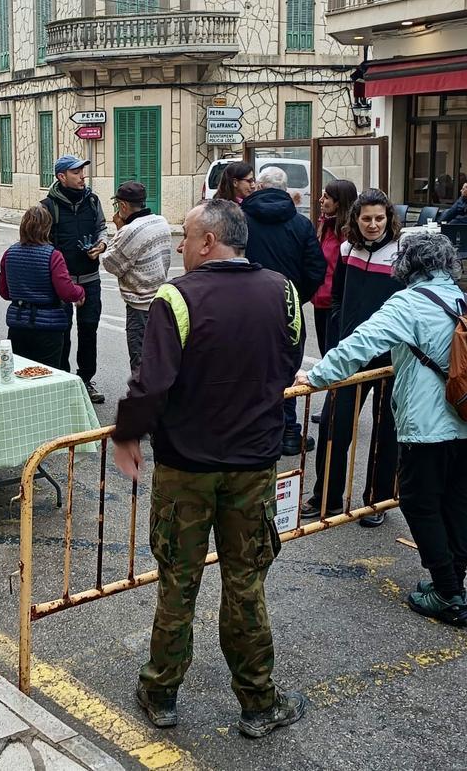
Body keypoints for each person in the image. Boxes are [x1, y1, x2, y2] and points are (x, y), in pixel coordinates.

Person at [111, 199, 307, 738]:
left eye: (187, 236)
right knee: (246, 583)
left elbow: (151, 382)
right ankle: (258, 703)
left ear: (209, 241)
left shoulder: (175, 297)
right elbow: (288, 364)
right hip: (253, 464)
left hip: (186, 469)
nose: (180, 246)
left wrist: (127, 433)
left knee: (179, 581)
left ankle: (161, 693)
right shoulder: (283, 291)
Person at [296, 233, 467, 625]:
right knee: (459, 501)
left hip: (430, 425)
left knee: (420, 501)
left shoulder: (408, 302)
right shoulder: (462, 298)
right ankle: (453, 581)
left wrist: (317, 377)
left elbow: (360, 344)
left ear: (405, 267)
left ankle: (448, 591)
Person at [302, 188, 402, 528]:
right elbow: (339, 298)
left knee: (385, 433)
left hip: (390, 358)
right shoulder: (347, 249)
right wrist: (339, 339)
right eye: (367, 218)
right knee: (333, 425)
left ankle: (377, 501)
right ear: (355, 220)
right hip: (351, 355)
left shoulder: (401, 255)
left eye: (379, 218)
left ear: (389, 218)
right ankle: (326, 498)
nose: (373, 224)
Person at [240, 166, 326, 456]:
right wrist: (297, 297)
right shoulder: (301, 224)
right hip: (288, 308)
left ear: (260, 188)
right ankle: (289, 432)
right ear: (287, 190)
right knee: (287, 369)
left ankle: (254, 432)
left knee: (250, 368)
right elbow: (316, 268)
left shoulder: (242, 220)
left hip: (247, 308)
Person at [42, 155, 110, 403]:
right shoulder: (48, 206)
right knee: (62, 331)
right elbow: (42, 243)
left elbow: (102, 227)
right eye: (76, 173)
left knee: (89, 328)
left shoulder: (92, 200)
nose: (82, 177)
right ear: (62, 177)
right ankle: (63, 379)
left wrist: (101, 245)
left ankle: (85, 380)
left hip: (90, 277)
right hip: (62, 281)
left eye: (82, 172)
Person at [0, 205, 86, 368]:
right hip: (48, 327)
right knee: (47, 373)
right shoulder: (53, 255)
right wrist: (80, 292)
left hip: (18, 324)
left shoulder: (9, 254)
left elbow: (4, 292)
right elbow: (66, 292)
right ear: (47, 228)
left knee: (20, 372)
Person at [101, 180, 173, 373]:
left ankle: (143, 402)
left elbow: (111, 264)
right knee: (159, 359)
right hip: (160, 301)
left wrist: (119, 230)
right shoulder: (161, 221)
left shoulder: (129, 231)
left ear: (123, 206)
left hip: (139, 306)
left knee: (140, 363)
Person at [312, 179, 358, 354]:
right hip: (320, 301)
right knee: (325, 352)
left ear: (340, 203)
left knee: (333, 354)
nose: (321, 200)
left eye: (327, 197)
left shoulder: (348, 234)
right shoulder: (326, 226)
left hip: (334, 304)